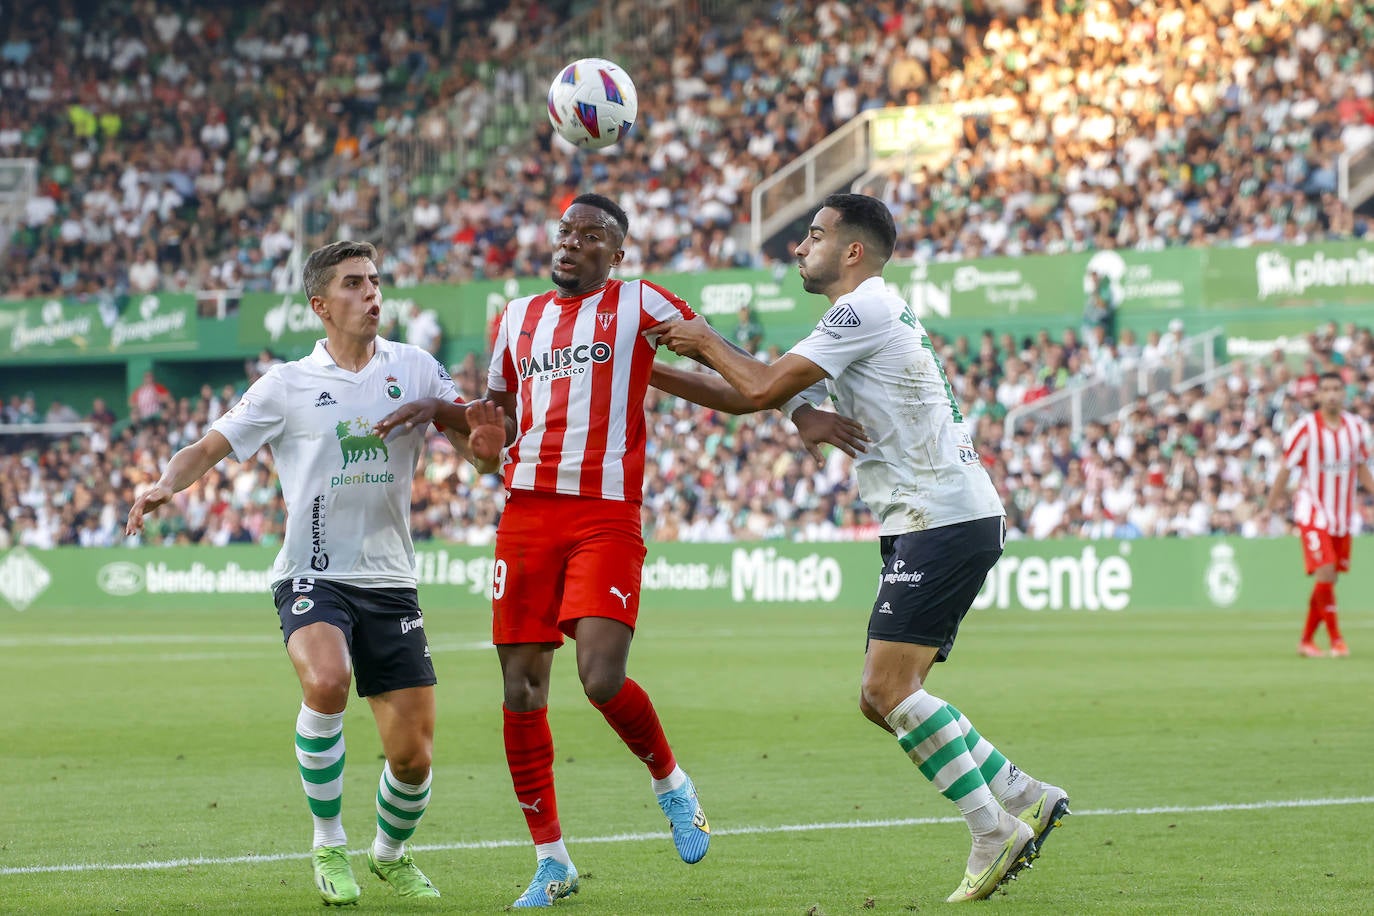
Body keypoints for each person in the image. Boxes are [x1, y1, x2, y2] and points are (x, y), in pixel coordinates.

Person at [374, 193, 866, 909]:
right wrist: (478, 443)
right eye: (565, 232)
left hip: (605, 516)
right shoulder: (516, 317)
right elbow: (498, 425)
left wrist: (799, 412)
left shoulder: (641, 304)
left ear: (618, 253)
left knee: (600, 677)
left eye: (591, 235)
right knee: (521, 690)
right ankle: (551, 861)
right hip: (526, 517)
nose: (570, 243)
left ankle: (671, 782)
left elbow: (727, 364)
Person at [652, 193, 1069, 903]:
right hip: (936, 518)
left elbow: (751, 384)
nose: (798, 247)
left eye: (812, 236)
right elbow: (751, 394)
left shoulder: (861, 309)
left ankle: (992, 829)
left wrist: (706, 336)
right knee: (887, 701)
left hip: (940, 518)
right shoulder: (865, 313)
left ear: (851, 251)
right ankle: (1022, 791)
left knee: (885, 689)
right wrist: (647, 374)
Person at [125, 241, 478, 905]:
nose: (372, 293)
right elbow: (207, 446)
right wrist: (164, 485)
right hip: (312, 573)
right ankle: (328, 842)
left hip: (391, 579)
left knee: (414, 758)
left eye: (376, 280)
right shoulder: (285, 385)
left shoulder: (418, 367)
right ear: (321, 305)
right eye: (354, 284)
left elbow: (476, 446)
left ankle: (390, 854)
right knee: (327, 678)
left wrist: (480, 442)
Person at [1267, 371, 1374, 658]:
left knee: (1328, 579)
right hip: (1312, 510)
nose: (1332, 394)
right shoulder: (1305, 428)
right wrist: (1269, 507)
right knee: (1325, 570)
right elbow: (1286, 468)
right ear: (1318, 395)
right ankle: (1337, 640)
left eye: (1337, 389)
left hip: (1342, 515)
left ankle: (1306, 641)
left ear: (1344, 392)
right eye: (1326, 389)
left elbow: (1361, 466)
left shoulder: (1356, 428)